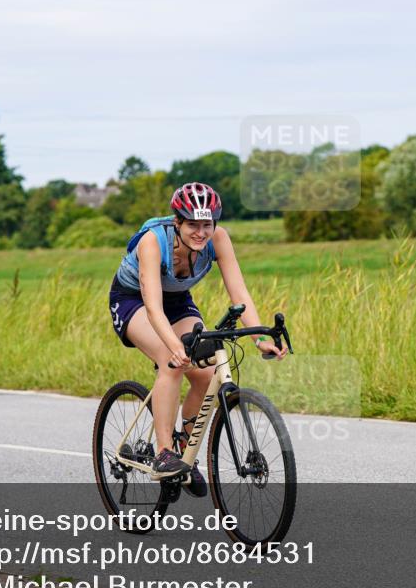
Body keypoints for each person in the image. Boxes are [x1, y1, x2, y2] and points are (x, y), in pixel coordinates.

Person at [108, 182, 287, 497]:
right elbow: (152, 307)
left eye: (207, 224)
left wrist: (260, 337)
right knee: (172, 361)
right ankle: (164, 452)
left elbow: (239, 292)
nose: (200, 232)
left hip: (177, 302)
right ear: (177, 221)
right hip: (133, 300)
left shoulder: (218, 239)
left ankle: (184, 457)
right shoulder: (153, 241)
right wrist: (174, 346)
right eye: (192, 224)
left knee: (205, 374)